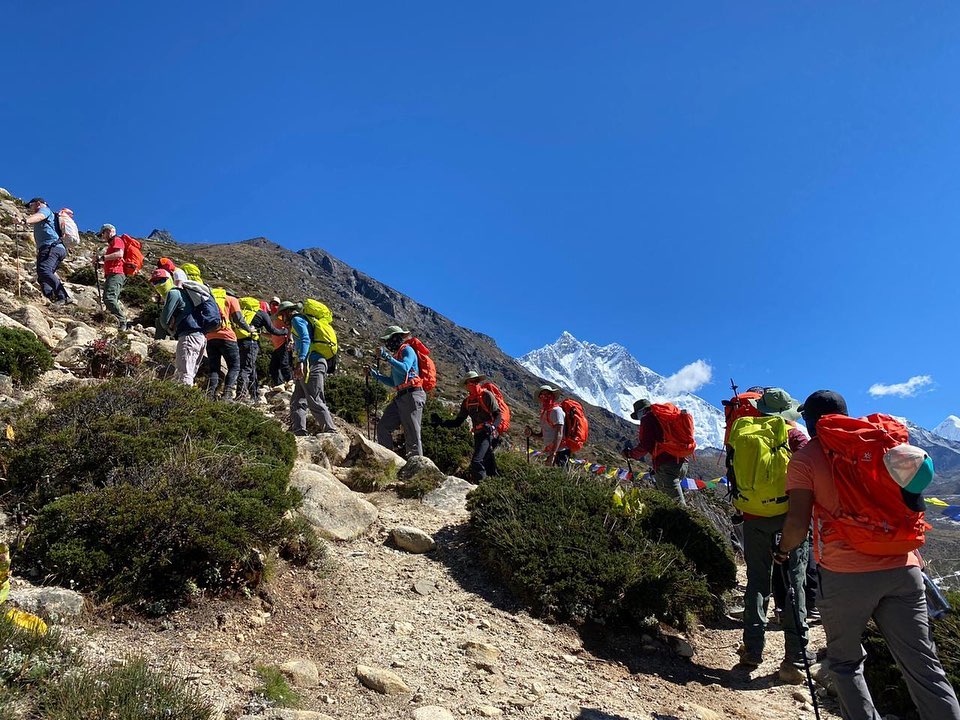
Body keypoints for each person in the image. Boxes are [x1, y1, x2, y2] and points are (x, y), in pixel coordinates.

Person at [779, 390, 960, 720]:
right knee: (924, 666)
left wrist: (782, 551)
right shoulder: (882, 444)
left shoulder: (806, 458)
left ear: (809, 421)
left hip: (845, 574)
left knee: (846, 664)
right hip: (903, 566)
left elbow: (797, 522)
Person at [726, 387, 812, 681]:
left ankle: (752, 650)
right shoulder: (795, 435)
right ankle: (795, 657)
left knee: (758, 581)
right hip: (789, 515)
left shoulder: (743, 431)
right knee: (795, 582)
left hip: (753, 517)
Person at [431, 371, 502, 481]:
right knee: (488, 463)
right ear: (466, 385)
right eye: (471, 381)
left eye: (476, 381)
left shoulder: (487, 395)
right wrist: (441, 422)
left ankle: (481, 488)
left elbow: (498, 415)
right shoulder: (467, 402)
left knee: (477, 461)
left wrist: (493, 427)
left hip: (490, 434)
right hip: (478, 435)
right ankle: (496, 486)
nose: (474, 383)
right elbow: (458, 422)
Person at [369, 326, 426, 457]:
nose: (388, 343)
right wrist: (375, 375)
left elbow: (405, 368)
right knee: (383, 427)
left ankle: (417, 469)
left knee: (412, 433)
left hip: (412, 394)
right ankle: (388, 460)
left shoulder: (407, 350)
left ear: (396, 338)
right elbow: (393, 382)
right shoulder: (397, 355)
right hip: (401, 396)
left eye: (389, 340)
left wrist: (387, 357)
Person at [622, 398, 690, 506]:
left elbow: (645, 445)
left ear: (641, 412)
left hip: (666, 464)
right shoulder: (662, 417)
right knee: (668, 501)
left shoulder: (647, 418)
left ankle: (685, 521)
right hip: (682, 462)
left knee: (676, 505)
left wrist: (631, 454)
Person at [284, 302, 336, 435]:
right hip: (311, 361)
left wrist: (301, 360)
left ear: (288, 312)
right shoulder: (305, 321)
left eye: (281, 315)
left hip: (311, 363)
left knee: (314, 398)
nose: (281, 319)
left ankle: (330, 431)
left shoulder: (297, 319)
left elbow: (306, 340)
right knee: (297, 400)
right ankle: (299, 431)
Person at [154, 269, 208, 386]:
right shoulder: (192, 296)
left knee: (184, 374)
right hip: (201, 337)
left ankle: (183, 400)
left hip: (188, 336)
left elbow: (164, 319)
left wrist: (170, 331)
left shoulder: (175, 293)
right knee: (189, 372)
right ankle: (184, 399)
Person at [235, 296, 287, 403]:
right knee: (246, 369)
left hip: (238, 341)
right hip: (251, 343)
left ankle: (255, 394)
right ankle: (240, 395)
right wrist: (285, 331)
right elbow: (273, 330)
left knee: (251, 367)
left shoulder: (243, 312)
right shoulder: (261, 314)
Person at [23, 197, 71, 305]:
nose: (30, 208)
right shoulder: (51, 215)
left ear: (38, 204)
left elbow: (40, 216)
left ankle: (64, 296)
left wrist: (25, 220)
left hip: (51, 247)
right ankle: (51, 298)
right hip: (54, 248)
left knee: (44, 271)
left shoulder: (44, 210)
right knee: (43, 276)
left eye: (31, 205)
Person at [205, 289, 251, 401]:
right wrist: (249, 330)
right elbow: (239, 319)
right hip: (227, 337)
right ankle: (227, 394)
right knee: (234, 366)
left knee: (214, 368)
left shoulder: (210, 299)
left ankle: (210, 394)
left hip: (210, 336)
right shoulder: (231, 299)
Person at [93, 223, 127, 330]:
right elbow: (112, 259)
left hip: (116, 273)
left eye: (103, 233)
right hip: (112, 274)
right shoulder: (112, 244)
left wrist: (102, 258)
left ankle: (122, 321)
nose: (102, 236)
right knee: (107, 298)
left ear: (109, 231)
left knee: (109, 298)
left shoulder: (117, 240)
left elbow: (119, 254)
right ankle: (114, 321)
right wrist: (99, 264)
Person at [524, 384, 567, 465]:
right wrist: (531, 434)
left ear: (552, 396)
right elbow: (542, 435)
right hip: (550, 451)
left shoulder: (557, 411)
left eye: (548, 395)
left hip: (560, 451)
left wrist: (553, 455)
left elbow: (559, 434)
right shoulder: (544, 412)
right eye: (542, 396)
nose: (545, 397)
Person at [268, 297, 292, 386]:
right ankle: (280, 384)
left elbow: (290, 327)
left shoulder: (282, 316)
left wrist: (290, 340)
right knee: (273, 368)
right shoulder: (272, 318)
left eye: (276, 304)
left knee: (285, 364)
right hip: (277, 346)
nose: (274, 306)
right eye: (273, 304)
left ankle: (290, 382)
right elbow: (272, 335)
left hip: (283, 344)